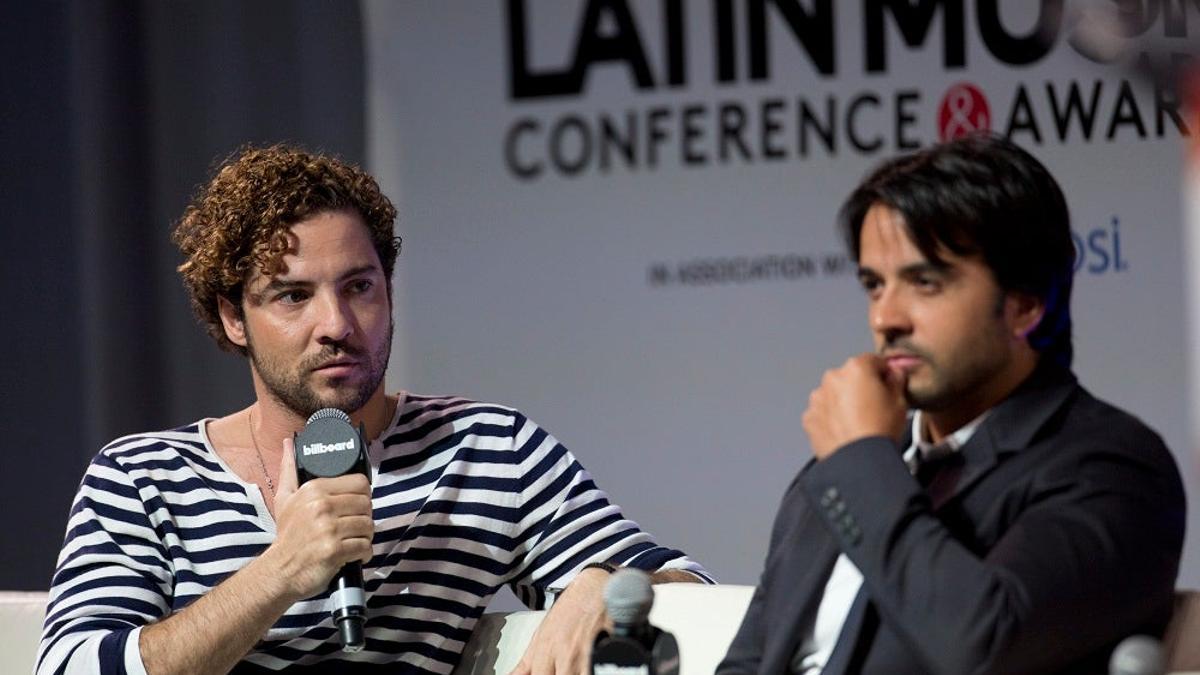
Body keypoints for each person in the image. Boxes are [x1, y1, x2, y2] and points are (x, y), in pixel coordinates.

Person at [37, 145, 710, 674]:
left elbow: (692, 588)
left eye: (358, 286)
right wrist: (282, 569)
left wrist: (607, 582)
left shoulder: (487, 448)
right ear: (232, 317)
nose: (336, 323)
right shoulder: (141, 478)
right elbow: (69, 666)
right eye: (292, 296)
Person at [719, 133, 1185, 674]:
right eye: (874, 285)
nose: (885, 318)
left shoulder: (1110, 468)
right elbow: (748, 663)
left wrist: (861, 464)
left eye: (925, 282)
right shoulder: (841, 468)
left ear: (1024, 306)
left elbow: (981, 645)